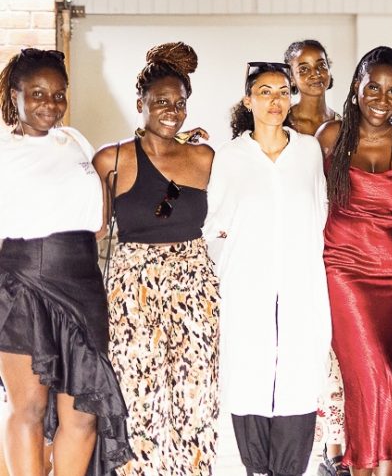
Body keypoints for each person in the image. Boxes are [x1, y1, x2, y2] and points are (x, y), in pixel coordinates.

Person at [0, 48, 132, 476]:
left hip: (82, 279)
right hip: (22, 281)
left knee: (83, 410)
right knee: (29, 408)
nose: (50, 104)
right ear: (15, 94)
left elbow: (99, 217)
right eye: (37, 93)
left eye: (59, 94)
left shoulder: (74, 140)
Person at [92, 42, 219, 475]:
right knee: (136, 397)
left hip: (195, 287)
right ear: (140, 104)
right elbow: (92, 229)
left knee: (195, 398)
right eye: (161, 102)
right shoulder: (112, 159)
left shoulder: (204, 157)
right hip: (133, 291)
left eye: (179, 103)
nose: (172, 111)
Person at [205, 61, 331, 476]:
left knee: (298, 375)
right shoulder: (230, 157)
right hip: (247, 285)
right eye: (264, 91)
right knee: (249, 374)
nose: (275, 100)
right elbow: (213, 223)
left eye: (282, 91)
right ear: (248, 100)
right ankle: (256, 467)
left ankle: (290, 468)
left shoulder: (308, 151)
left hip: (301, 285)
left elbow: (320, 211)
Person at [318, 47, 392, 476]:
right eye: (373, 88)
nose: (383, 100)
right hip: (344, 271)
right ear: (356, 87)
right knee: (369, 376)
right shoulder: (331, 136)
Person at [282, 39, 348, 476]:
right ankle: (302, 445)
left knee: (338, 346)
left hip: (340, 245)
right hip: (293, 248)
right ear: (290, 76)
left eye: (319, 64)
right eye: (302, 67)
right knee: (303, 348)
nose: (313, 74)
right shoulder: (278, 122)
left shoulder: (346, 124)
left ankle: (336, 448)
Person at [285, 39, 341, 136]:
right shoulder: (281, 121)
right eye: (304, 69)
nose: (315, 73)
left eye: (321, 65)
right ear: (292, 78)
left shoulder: (342, 125)